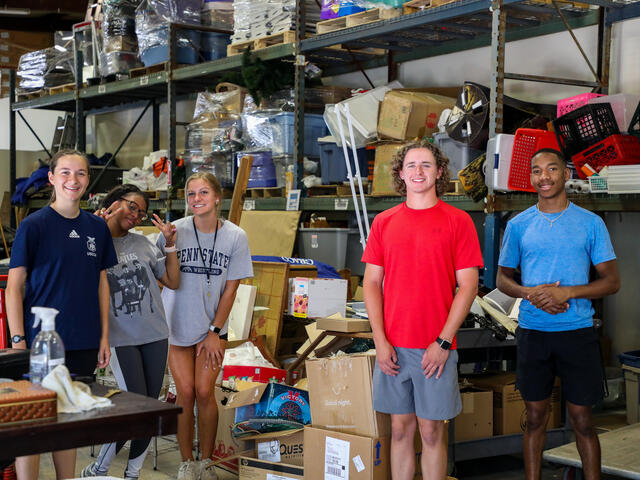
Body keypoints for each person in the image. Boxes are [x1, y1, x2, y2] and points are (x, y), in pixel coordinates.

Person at [362, 140, 483, 480]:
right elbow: (371, 283)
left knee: (431, 432)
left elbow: (468, 286)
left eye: (426, 165)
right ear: (400, 173)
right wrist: (380, 341)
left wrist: (443, 343)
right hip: (393, 347)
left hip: (436, 348)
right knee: (400, 430)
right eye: (411, 165)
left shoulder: (458, 222)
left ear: (439, 172)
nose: (418, 171)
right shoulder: (384, 222)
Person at [496, 148, 620, 480]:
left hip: (577, 333)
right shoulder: (519, 226)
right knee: (535, 417)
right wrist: (530, 293)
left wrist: (567, 292)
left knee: (582, 419)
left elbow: (611, 281)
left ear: (566, 174)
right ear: (531, 178)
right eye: (537, 171)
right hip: (534, 333)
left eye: (551, 169)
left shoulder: (590, 224)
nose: (544, 177)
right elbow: (502, 279)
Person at [6, 149, 117, 480]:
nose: (74, 179)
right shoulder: (33, 225)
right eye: (65, 173)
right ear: (52, 178)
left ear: (87, 180)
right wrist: (18, 341)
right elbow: (15, 288)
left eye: (81, 173)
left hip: (82, 340)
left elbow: (101, 285)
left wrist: (104, 336)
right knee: (34, 423)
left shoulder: (97, 227)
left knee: (69, 420)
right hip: (39, 345)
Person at [158, 172, 253, 480]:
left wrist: (215, 332)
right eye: (191, 194)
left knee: (203, 391)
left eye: (202, 193)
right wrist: (168, 245)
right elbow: (155, 270)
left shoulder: (235, 236)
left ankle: (206, 462)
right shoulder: (175, 231)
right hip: (176, 324)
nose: (196, 199)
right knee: (184, 392)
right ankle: (187, 463)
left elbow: (231, 288)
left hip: (212, 328)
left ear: (216, 199)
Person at [81, 184, 180, 479]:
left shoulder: (144, 244)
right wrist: (95, 227)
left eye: (142, 212)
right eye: (132, 207)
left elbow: (172, 281)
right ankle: (98, 470)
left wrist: (170, 244)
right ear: (113, 203)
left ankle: (132, 473)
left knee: (149, 409)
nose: (136, 215)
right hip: (120, 338)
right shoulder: (92, 242)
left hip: (156, 335)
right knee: (133, 407)